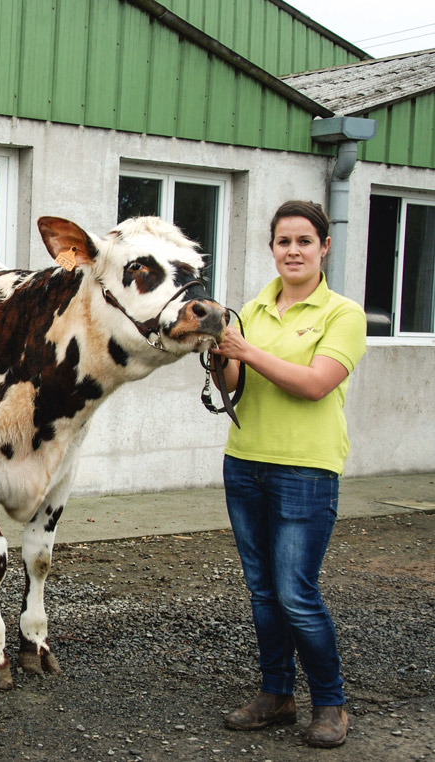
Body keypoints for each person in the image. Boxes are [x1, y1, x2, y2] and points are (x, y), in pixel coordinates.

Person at [211, 200, 366, 748]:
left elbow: (314, 384)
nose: (293, 251)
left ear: (324, 247)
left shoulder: (342, 314)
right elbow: (232, 383)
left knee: (297, 592)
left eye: (304, 241)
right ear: (272, 248)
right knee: (262, 591)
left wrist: (245, 349)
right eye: (284, 241)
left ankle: (331, 703)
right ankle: (276, 694)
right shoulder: (250, 310)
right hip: (246, 461)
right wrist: (216, 350)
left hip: (307, 469)